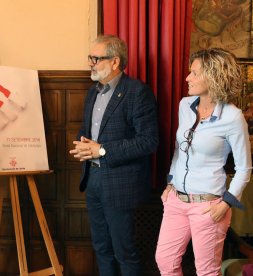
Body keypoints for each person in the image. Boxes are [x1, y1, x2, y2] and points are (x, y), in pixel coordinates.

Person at [155, 48, 252, 275]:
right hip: (176, 201)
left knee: (206, 271)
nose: (188, 78)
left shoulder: (233, 117)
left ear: (213, 76)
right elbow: (180, 149)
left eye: (195, 73)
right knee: (165, 262)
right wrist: (170, 183)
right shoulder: (184, 105)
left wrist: (226, 203)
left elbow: (244, 168)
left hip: (209, 207)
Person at [69, 35, 159, 275]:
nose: (91, 63)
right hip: (93, 180)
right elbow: (86, 131)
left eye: (96, 58)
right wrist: (82, 145)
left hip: (121, 185)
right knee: (101, 248)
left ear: (115, 62)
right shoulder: (92, 93)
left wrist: (102, 150)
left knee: (124, 252)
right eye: (91, 58)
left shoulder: (138, 92)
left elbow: (148, 141)